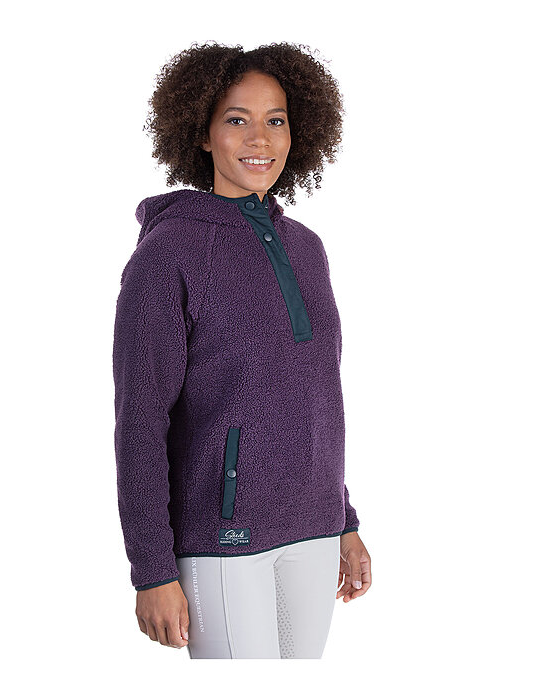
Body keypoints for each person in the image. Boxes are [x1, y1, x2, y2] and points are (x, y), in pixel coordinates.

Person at [112, 41, 372, 659]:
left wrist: (345, 520)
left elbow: (317, 397)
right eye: (237, 119)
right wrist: (151, 569)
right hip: (222, 538)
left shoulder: (307, 248)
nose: (260, 138)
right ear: (201, 134)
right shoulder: (168, 254)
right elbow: (141, 420)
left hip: (314, 528)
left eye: (275, 120)